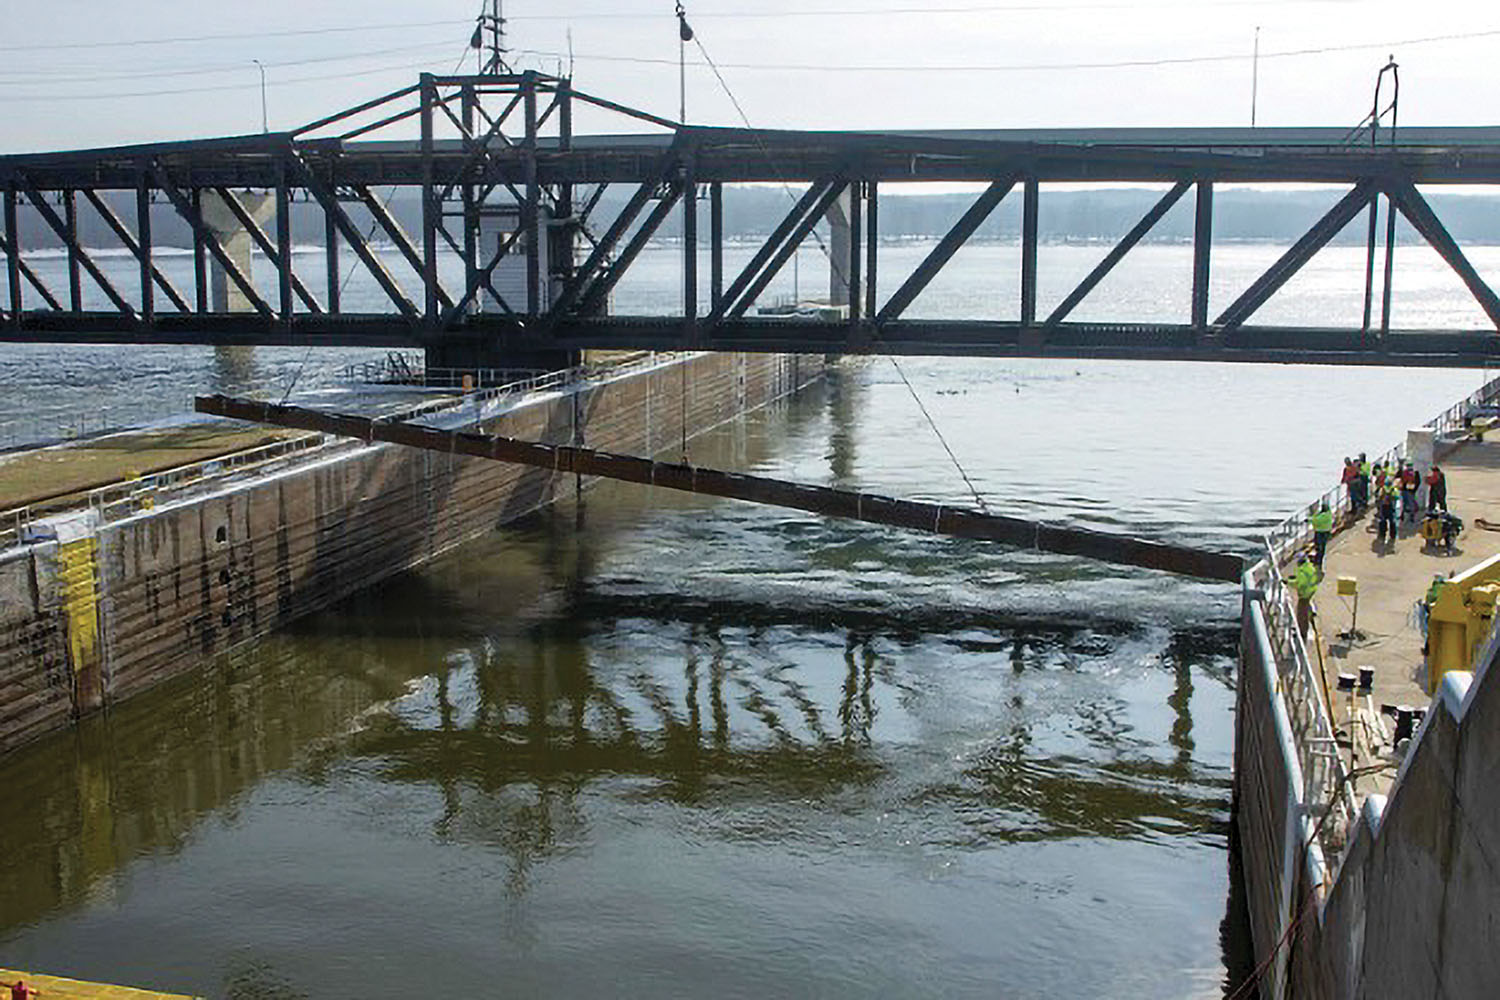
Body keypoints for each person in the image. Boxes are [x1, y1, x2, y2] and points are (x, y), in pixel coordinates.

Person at [1293, 551, 1321, 635]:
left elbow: (1299, 584)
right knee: (1306, 609)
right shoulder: (1309, 567)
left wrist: (1288, 582)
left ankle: (1302, 632)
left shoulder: (1302, 571)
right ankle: (1312, 612)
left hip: (1304, 594)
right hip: (1310, 591)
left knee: (1301, 614)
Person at [1376, 478, 1399, 545]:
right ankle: (1392, 536)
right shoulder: (1394, 489)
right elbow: (1396, 497)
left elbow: (1379, 497)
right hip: (1391, 507)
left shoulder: (1383, 489)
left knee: (1383, 521)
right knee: (1392, 522)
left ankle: (1382, 535)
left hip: (1384, 507)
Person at [1311, 502, 1334, 567]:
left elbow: (1316, 520)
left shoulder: (1324, 516)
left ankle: (1318, 560)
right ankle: (1318, 559)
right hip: (1325, 532)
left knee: (1319, 546)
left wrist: (1311, 518)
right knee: (1321, 547)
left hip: (1321, 532)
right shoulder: (1328, 514)